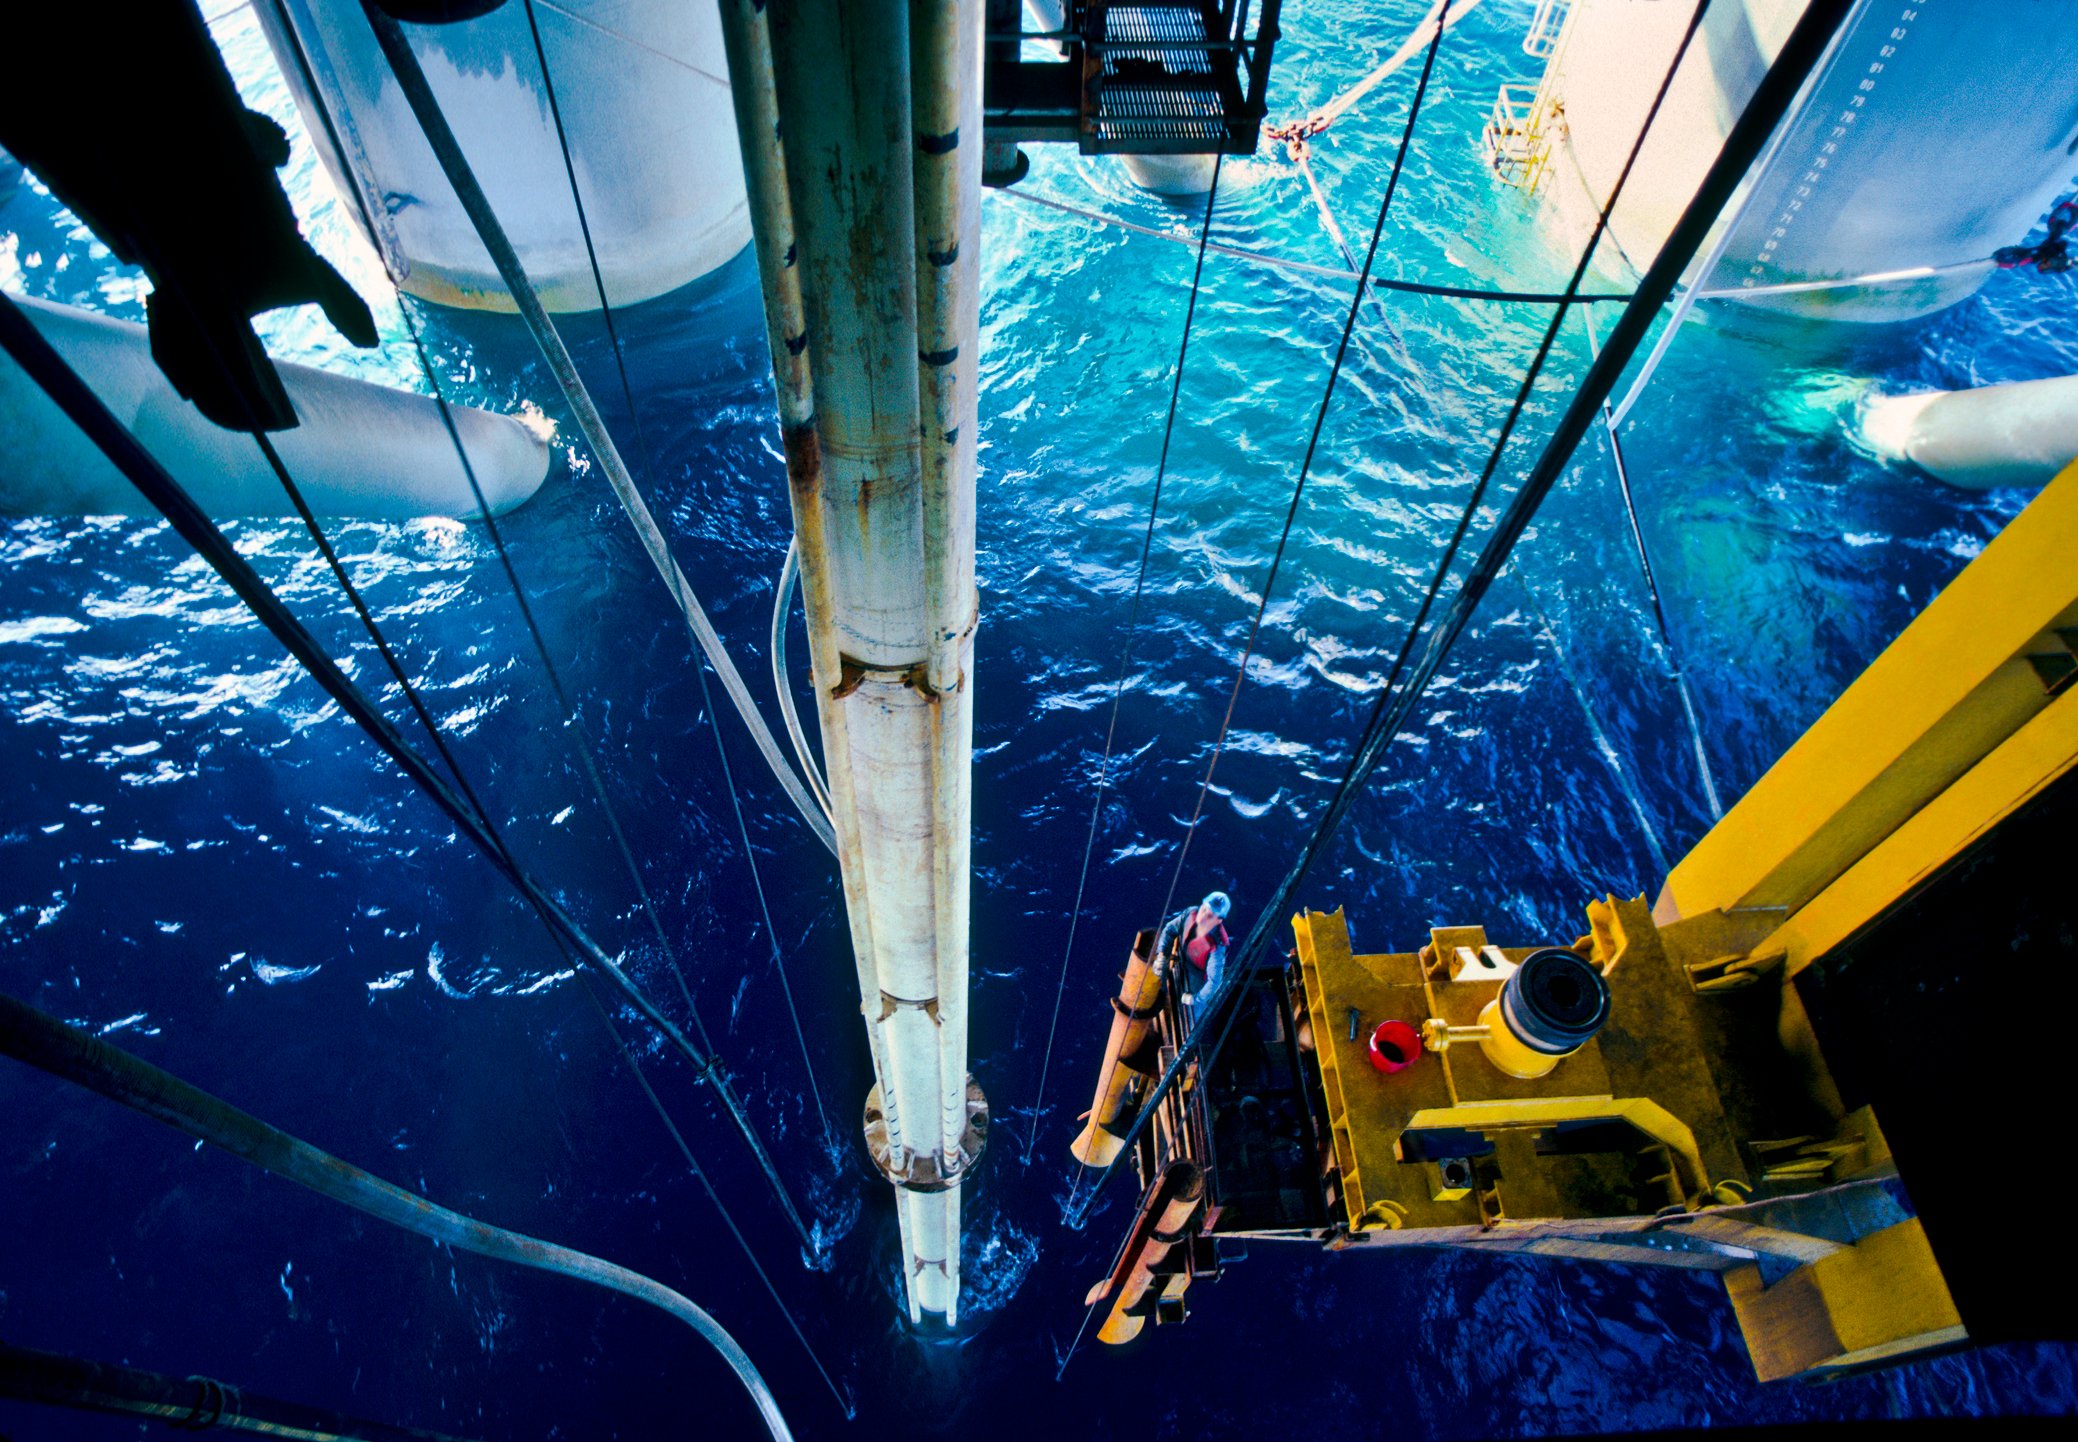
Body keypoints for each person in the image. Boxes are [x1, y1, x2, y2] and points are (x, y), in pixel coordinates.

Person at [1157, 891, 1232, 1011]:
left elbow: (1214, 982)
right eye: (1204, 909)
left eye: (1210, 915)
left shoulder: (1218, 946)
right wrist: (1161, 955)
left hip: (1196, 978)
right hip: (1179, 960)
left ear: (1219, 921)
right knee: (1155, 975)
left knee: (1194, 1016)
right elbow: (1170, 930)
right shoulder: (1189, 914)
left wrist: (1196, 999)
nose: (1203, 916)